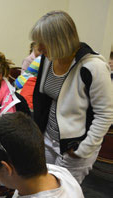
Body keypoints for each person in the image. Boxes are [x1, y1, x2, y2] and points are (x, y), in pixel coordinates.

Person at [31, 11, 113, 184]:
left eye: (43, 42)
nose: (39, 48)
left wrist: (84, 148)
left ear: (60, 40)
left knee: (63, 196)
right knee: (43, 189)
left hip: (74, 147)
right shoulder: (49, 59)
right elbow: (44, 99)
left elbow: (105, 115)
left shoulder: (94, 67)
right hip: (47, 138)